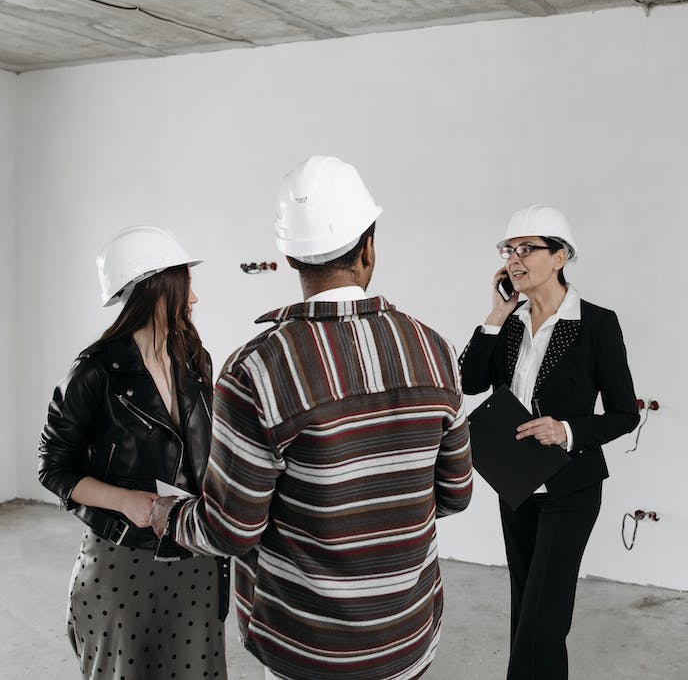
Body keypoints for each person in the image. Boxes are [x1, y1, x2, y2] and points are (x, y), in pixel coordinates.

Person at [150, 155, 473, 680]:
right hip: (407, 637)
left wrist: (164, 514)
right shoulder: (434, 350)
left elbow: (231, 530)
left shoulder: (257, 370)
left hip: (305, 649)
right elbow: (456, 494)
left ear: (289, 255)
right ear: (369, 248)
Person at [37, 225, 228, 679]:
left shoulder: (195, 359)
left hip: (193, 553)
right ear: (156, 288)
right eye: (186, 286)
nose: (194, 300)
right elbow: (53, 467)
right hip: (123, 562)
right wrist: (128, 502)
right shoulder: (95, 370)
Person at [459, 204, 640, 680]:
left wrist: (568, 430)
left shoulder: (597, 324)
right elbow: (470, 381)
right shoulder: (509, 322)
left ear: (560, 257)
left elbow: (625, 414)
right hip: (516, 484)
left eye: (527, 249)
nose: (514, 259)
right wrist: (495, 316)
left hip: (570, 488)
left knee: (544, 618)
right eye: (509, 250)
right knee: (526, 607)